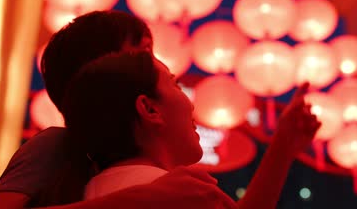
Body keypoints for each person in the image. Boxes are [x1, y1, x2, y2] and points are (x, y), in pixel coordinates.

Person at [0, 11, 232, 209]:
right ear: (102, 69)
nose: (155, 63)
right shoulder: (58, 145)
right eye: (144, 51)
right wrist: (146, 197)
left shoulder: (128, 164)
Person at [62, 50, 321, 209]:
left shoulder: (90, 191)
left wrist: (283, 147)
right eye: (176, 85)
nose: (191, 103)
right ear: (150, 110)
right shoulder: (179, 196)